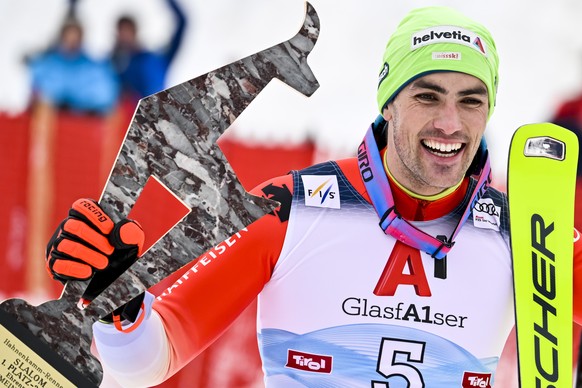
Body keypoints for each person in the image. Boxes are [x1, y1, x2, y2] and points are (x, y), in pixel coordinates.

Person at [44, 6, 582, 387]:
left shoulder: (526, 232)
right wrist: (120, 301)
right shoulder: (289, 208)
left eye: (471, 101)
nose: (450, 122)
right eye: (427, 95)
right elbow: (147, 362)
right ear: (388, 103)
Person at [28, 17, 119, 115]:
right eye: (69, 35)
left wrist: (74, 102)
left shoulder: (94, 68)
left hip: (84, 120)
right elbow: (39, 90)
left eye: (76, 35)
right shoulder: (47, 64)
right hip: (52, 119)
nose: (72, 40)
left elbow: (106, 96)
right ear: (62, 37)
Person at [111, 0, 187, 103]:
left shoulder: (158, 58)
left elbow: (182, 23)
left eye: (127, 31)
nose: (125, 36)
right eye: (121, 32)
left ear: (135, 31)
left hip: (160, 111)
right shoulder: (114, 66)